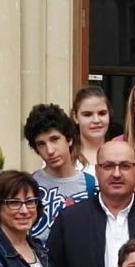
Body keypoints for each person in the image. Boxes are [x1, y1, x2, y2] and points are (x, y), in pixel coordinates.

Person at [25, 102, 96, 243]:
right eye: (41, 144)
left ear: (69, 139)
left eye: (54, 139)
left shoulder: (92, 185)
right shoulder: (28, 185)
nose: (50, 150)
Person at [71, 85, 111, 173]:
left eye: (102, 113)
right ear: (75, 117)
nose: (96, 120)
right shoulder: (62, 158)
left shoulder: (122, 154)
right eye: (87, 114)